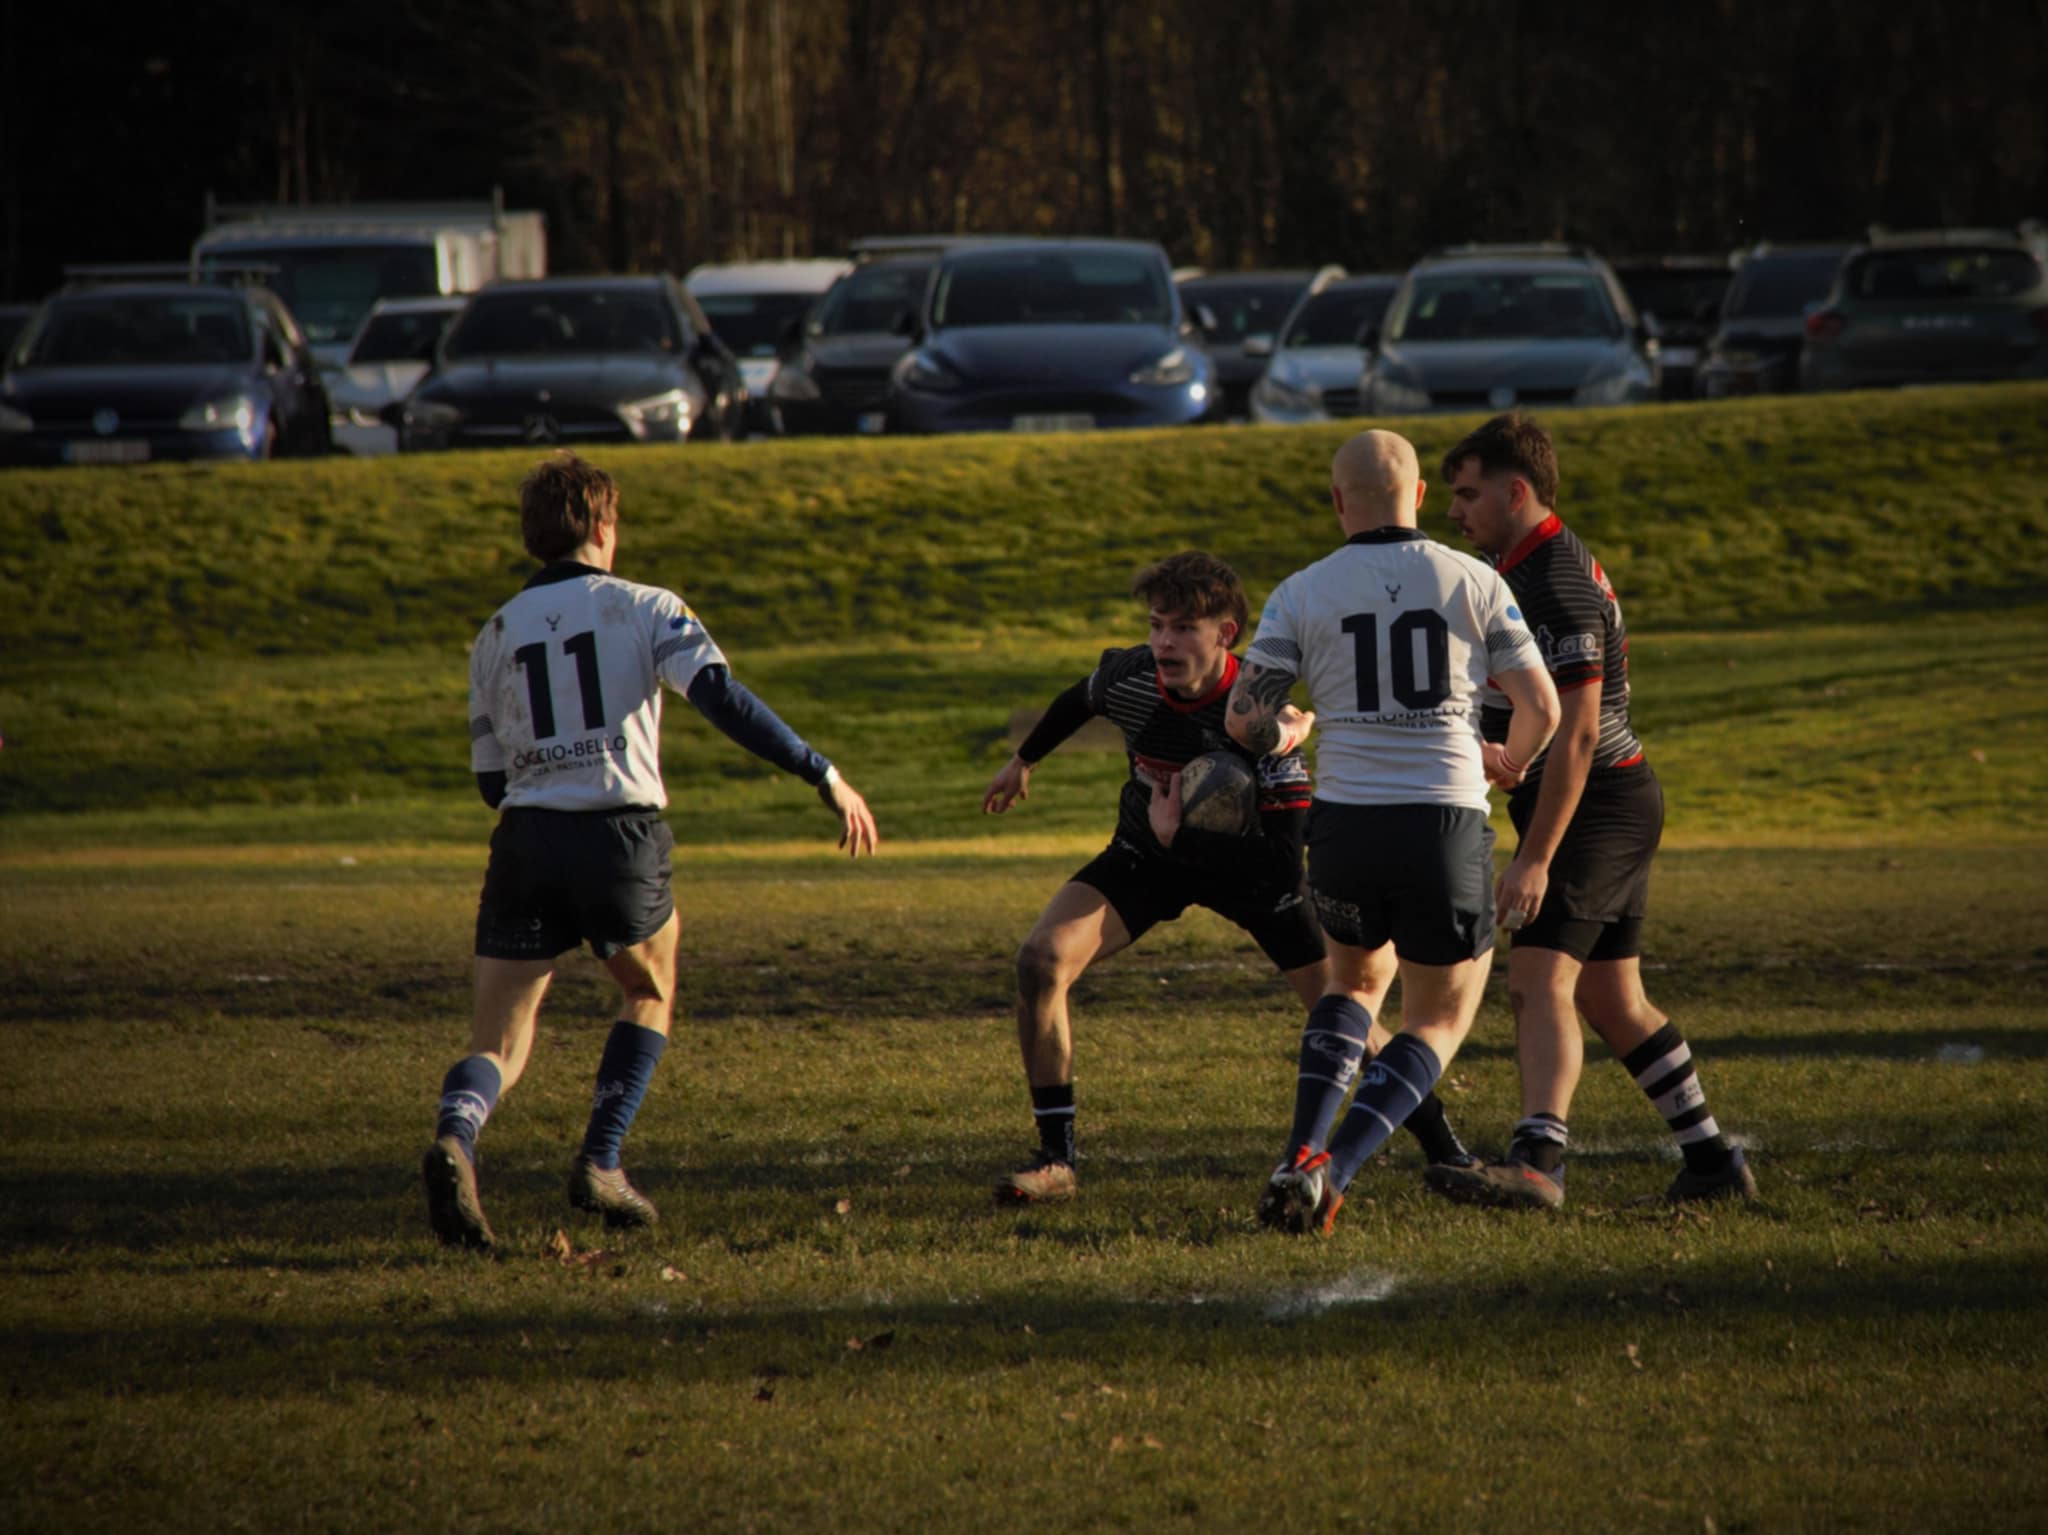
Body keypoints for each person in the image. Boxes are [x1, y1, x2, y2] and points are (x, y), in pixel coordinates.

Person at [421, 451, 880, 1249]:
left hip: (525, 842)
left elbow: (492, 782)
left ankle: (456, 1135)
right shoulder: (644, 606)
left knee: (496, 1042)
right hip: (618, 835)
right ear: (604, 526)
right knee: (650, 984)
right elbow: (721, 698)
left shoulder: (492, 636)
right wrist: (821, 771)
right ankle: (600, 1159)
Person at [980, 550, 1478, 1204]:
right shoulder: (1132, 676)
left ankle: (1447, 1149)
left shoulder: (1262, 722)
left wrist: (1181, 834)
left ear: (1226, 634)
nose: (1164, 642)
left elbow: (1281, 864)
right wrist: (1024, 759)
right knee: (1040, 961)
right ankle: (1056, 1160)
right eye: (1157, 624)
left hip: (1253, 878)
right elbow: (1079, 698)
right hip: (1147, 859)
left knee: (1345, 1018)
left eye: (1184, 628)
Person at [1233, 429, 1561, 1236]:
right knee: (1438, 1018)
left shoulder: (1301, 589)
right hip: (1442, 820)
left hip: (1343, 823)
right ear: (1418, 496)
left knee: (1351, 988)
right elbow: (1543, 707)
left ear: (1337, 501)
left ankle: (1299, 1152)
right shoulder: (1473, 577)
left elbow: (1244, 717)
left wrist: (1286, 729)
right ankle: (1334, 1171)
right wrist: (1507, 762)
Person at [1425, 412, 1754, 1209]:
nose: (1455, 511)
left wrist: (1535, 857)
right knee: (1612, 1000)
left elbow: (1577, 734)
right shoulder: (1518, 569)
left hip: (1598, 803)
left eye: (1467, 494)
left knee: (1537, 979)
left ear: (1516, 492)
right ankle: (1712, 1161)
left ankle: (1538, 1160)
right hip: (1604, 798)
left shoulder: (1556, 581)